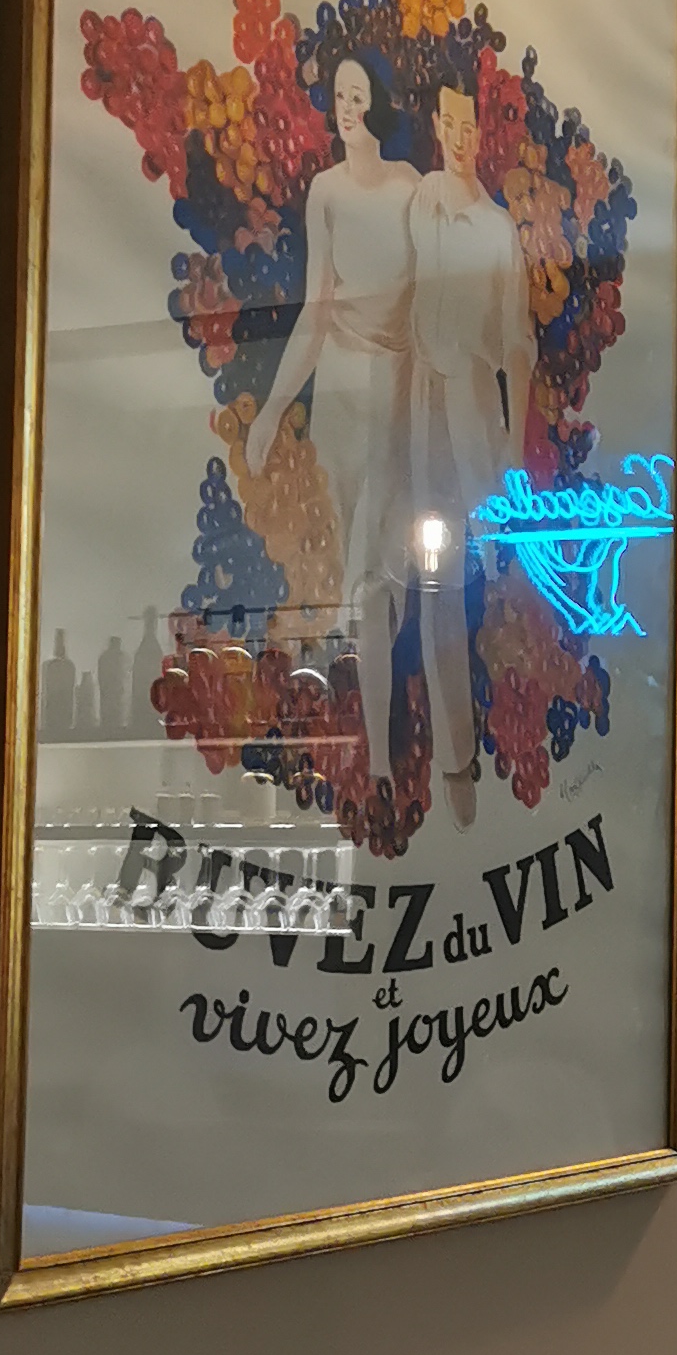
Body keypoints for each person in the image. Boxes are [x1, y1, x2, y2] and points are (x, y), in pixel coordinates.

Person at [244, 55, 417, 791]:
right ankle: (352, 753)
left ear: (377, 102)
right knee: (347, 568)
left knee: (375, 574)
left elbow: (435, 302)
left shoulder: (410, 188)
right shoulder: (326, 191)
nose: (347, 107)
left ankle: (378, 755)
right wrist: (274, 410)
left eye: (358, 95)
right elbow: (315, 313)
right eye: (339, 96)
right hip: (340, 394)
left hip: (393, 389)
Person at [408, 76, 534, 829]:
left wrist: (513, 445)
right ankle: (451, 761)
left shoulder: (496, 230)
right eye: (448, 122)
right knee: (430, 581)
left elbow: (516, 342)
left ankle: (487, 744)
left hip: (474, 410)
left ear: (480, 132)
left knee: (484, 575)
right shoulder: (422, 199)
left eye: (469, 124)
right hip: (419, 403)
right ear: (436, 125)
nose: (459, 137)